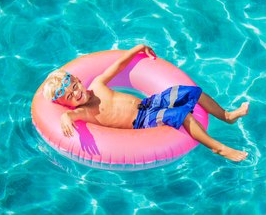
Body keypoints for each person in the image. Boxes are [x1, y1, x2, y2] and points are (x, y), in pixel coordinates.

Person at [42, 44, 249, 162]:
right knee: (183, 116)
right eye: (69, 97)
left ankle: (227, 116)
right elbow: (71, 116)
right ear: (68, 105)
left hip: (149, 103)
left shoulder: (97, 85)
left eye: (74, 88)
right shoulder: (84, 112)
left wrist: (137, 49)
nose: (75, 94)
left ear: (78, 80)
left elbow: (117, 66)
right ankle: (218, 148)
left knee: (191, 92)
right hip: (142, 121)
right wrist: (65, 116)